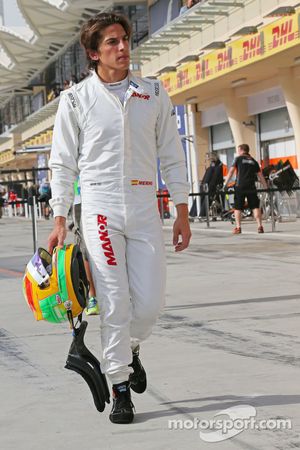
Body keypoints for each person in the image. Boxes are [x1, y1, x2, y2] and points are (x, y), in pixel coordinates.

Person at [47, 12, 191, 424]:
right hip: (99, 207)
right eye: (112, 42)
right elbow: (62, 164)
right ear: (94, 53)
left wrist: (181, 209)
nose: (123, 47)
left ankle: (131, 350)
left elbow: (171, 154)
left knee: (147, 305)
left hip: (145, 205)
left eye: (125, 39)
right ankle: (120, 389)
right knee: (114, 301)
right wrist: (60, 220)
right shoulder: (75, 100)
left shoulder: (153, 92)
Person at [71, 176, 100, 316]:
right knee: (85, 247)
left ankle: (95, 296)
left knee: (114, 242)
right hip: (81, 196)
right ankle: (93, 296)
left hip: (99, 194)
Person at [224, 144, 268, 234]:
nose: (238, 152)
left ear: (241, 150)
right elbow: (260, 176)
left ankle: (238, 227)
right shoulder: (253, 161)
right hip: (251, 186)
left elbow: (231, 171)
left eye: (238, 150)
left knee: (238, 207)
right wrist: (266, 187)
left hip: (240, 186)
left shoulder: (238, 159)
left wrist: (225, 184)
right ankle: (260, 226)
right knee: (255, 206)